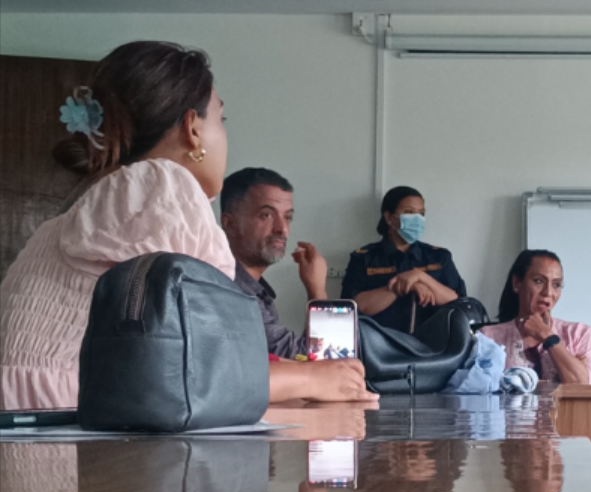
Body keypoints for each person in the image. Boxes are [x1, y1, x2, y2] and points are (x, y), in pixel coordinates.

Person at [0, 41, 373, 409]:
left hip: (29, 415)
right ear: (192, 128)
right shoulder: (162, 187)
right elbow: (205, 373)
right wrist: (314, 378)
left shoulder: (70, 216)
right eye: (221, 120)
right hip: (72, 422)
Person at [220, 167, 326, 358]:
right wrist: (317, 290)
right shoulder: (232, 290)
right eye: (266, 215)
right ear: (230, 224)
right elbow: (313, 356)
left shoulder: (251, 287)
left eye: (288, 217)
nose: (282, 229)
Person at [341, 186, 466, 333]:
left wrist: (420, 277)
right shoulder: (364, 258)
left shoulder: (439, 256)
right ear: (389, 217)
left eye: (421, 213)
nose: (417, 219)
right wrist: (401, 287)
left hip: (433, 342)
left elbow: (458, 301)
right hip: (379, 342)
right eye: (409, 212)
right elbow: (354, 307)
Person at [480, 250, 591, 385]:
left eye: (556, 284)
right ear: (517, 283)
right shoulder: (488, 337)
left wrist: (548, 336)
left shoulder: (579, 334)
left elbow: (586, 387)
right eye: (539, 281)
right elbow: (478, 390)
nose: (548, 292)